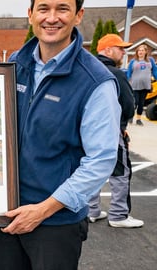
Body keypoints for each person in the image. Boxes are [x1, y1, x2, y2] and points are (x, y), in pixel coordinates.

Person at [0, 0, 121, 269]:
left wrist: (42, 210)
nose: (51, 18)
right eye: (43, 8)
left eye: (62, 9)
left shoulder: (95, 81)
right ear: (30, 14)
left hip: (55, 225)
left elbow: (101, 160)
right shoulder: (14, 64)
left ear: (78, 16)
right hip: (6, 216)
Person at [88, 34, 144, 228]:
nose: (123, 52)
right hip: (111, 130)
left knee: (92, 167)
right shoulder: (115, 73)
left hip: (88, 131)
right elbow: (128, 104)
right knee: (120, 171)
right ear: (108, 50)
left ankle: (92, 210)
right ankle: (119, 215)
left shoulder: (87, 69)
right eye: (120, 48)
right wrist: (122, 126)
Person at [126, 44, 157, 126]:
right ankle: (130, 117)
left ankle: (138, 119)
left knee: (141, 103)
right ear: (137, 52)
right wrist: (127, 81)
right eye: (139, 50)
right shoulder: (133, 61)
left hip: (146, 85)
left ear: (146, 52)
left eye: (142, 50)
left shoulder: (151, 60)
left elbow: (154, 72)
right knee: (135, 102)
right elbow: (129, 72)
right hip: (135, 85)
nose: (140, 52)